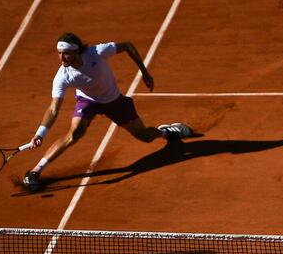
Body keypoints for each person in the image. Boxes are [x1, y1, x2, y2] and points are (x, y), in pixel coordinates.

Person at [20, 32, 193, 192]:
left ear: (76, 51)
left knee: (145, 136)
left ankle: (165, 132)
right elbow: (53, 108)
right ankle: (36, 171)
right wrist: (40, 133)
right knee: (74, 134)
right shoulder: (62, 76)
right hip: (88, 101)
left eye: (65, 53)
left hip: (114, 101)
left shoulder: (97, 52)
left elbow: (128, 46)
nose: (61, 57)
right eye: (59, 52)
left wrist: (144, 72)